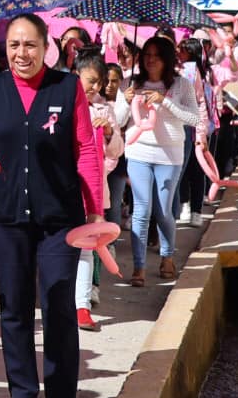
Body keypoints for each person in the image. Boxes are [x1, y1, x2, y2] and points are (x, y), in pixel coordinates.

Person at [0, 14, 106, 398]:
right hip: (9, 214)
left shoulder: (66, 87)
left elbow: (86, 147)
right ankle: (22, 395)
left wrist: (95, 209)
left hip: (60, 219)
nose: (21, 53)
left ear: (46, 46)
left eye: (30, 44)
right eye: (14, 45)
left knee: (57, 306)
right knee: (14, 306)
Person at [121, 34, 198, 289]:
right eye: (147, 55)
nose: (150, 59)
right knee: (141, 210)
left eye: (156, 55)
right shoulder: (131, 82)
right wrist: (126, 101)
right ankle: (139, 266)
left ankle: (167, 255)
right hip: (138, 153)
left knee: (163, 210)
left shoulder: (181, 85)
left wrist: (165, 101)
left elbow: (193, 119)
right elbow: (119, 119)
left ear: (166, 59)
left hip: (169, 155)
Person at [73, 50, 126, 331]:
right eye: (91, 80)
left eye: (100, 82)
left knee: (85, 249)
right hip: (62, 188)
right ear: (76, 76)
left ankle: (82, 306)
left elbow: (116, 152)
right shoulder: (62, 105)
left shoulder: (105, 111)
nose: (95, 87)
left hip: (92, 190)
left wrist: (108, 134)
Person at [174, 38, 214, 228]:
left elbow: (200, 104)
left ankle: (196, 210)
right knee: (178, 172)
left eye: (182, 50)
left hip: (190, 128)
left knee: (195, 170)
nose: (178, 52)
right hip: (172, 130)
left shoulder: (192, 71)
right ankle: (183, 205)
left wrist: (201, 133)